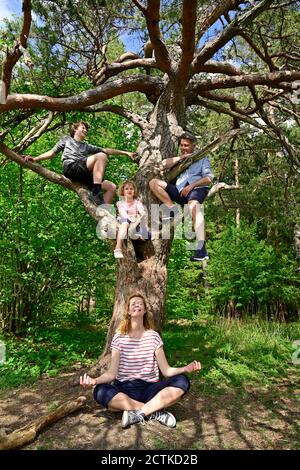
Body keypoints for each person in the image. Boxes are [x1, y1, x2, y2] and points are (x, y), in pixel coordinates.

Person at [80, 293, 201, 429]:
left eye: (140, 303)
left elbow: (166, 370)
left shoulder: (154, 337)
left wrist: (186, 368)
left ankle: (135, 412)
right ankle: (152, 411)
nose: (137, 305)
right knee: (100, 391)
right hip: (125, 389)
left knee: (182, 381)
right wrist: (94, 381)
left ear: (144, 310)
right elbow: (111, 374)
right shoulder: (119, 337)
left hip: (150, 390)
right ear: (128, 311)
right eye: (133, 303)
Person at [23, 121, 136, 205]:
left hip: (83, 174)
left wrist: (126, 153)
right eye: (83, 128)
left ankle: (103, 212)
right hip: (71, 167)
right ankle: (96, 192)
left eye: (86, 129)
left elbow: (106, 150)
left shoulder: (86, 146)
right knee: (101, 156)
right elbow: (52, 153)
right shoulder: (67, 139)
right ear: (75, 129)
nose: (85, 130)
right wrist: (35, 158)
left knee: (112, 187)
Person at [149, 131, 214, 262]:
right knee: (154, 182)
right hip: (180, 191)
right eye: (182, 145)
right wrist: (180, 158)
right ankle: (172, 209)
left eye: (187, 145)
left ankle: (201, 249)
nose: (184, 148)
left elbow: (209, 178)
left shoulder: (202, 158)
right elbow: (161, 165)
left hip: (196, 189)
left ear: (194, 145)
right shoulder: (178, 159)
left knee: (194, 206)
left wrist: (192, 186)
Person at [114, 180, 151, 259]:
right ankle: (118, 248)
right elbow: (123, 213)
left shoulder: (137, 203)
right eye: (126, 189)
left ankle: (137, 237)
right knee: (125, 223)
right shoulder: (120, 203)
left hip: (135, 224)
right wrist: (132, 218)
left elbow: (142, 211)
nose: (129, 190)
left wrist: (141, 214)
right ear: (123, 191)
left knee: (148, 235)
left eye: (131, 189)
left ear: (134, 191)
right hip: (125, 221)